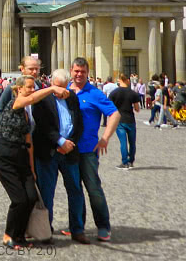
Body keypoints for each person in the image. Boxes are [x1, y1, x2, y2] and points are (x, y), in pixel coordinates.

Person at [0, 75, 70, 250]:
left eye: (34, 87)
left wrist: (32, 170)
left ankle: (19, 235)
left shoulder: (27, 114)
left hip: (21, 155)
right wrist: (51, 89)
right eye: (29, 87)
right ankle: (8, 235)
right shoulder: (15, 102)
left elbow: (29, 143)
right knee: (19, 199)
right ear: (19, 89)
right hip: (4, 155)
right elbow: (31, 98)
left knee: (32, 197)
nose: (32, 90)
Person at [68, 57, 120, 242]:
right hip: (68, 150)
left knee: (93, 188)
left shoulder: (95, 93)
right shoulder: (65, 90)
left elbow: (114, 113)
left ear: (87, 72)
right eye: (76, 71)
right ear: (71, 71)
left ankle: (103, 225)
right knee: (74, 189)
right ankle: (77, 225)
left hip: (88, 149)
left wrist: (105, 137)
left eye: (82, 71)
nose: (79, 74)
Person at [31, 69, 86, 244]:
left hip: (69, 152)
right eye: (57, 87)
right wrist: (60, 141)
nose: (61, 91)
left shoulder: (72, 97)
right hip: (48, 151)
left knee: (76, 191)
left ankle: (77, 229)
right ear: (51, 84)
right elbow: (42, 125)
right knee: (47, 193)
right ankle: (46, 230)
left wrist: (70, 143)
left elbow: (78, 124)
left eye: (64, 87)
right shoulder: (43, 99)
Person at [109, 74, 140, 170]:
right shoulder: (132, 93)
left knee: (123, 142)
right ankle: (131, 161)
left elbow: (110, 107)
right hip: (130, 119)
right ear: (127, 80)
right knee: (132, 142)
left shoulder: (114, 93)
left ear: (119, 80)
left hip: (119, 120)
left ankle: (124, 162)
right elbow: (137, 109)